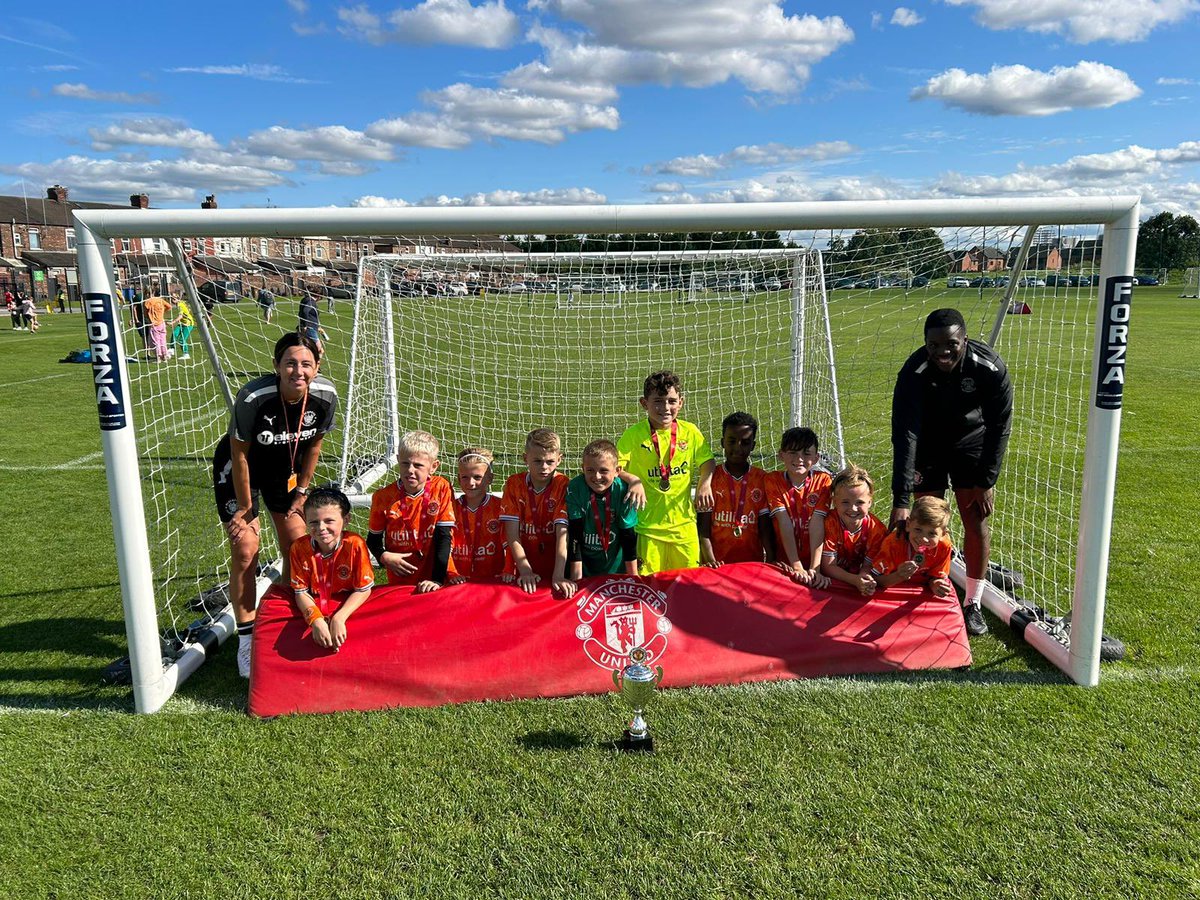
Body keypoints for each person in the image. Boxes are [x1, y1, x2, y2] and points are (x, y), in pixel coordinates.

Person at [212, 332, 339, 677]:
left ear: (316, 367)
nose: (298, 370)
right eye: (291, 363)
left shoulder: (326, 395)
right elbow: (238, 454)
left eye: (306, 364)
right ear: (277, 366)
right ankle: (246, 638)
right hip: (243, 471)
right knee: (245, 548)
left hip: (286, 472)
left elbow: (314, 446)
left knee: (298, 546)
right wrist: (245, 507)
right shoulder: (253, 396)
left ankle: (284, 615)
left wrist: (302, 491)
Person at [891, 307, 1013, 635]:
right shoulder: (913, 372)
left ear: (965, 340)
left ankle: (972, 601)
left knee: (975, 520)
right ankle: (924, 585)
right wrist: (901, 497)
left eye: (951, 344)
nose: (942, 352)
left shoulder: (989, 368)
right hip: (927, 445)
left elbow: (1000, 425)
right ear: (925, 343)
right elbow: (905, 434)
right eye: (934, 345)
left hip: (970, 443)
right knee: (923, 522)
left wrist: (986, 480)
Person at [616, 370, 714, 574]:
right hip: (647, 529)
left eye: (671, 401)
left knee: (687, 586)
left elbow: (707, 461)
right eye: (658, 401)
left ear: (681, 402)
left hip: (684, 529)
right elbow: (615, 468)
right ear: (644, 403)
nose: (666, 408)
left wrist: (705, 483)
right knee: (650, 588)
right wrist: (632, 479)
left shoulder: (691, 432)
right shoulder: (633, 435)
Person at [367, 430, 456, 592]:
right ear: (398, 461)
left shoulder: (441, 488)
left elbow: (444, 536)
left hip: (434, 576)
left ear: (433, 466)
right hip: (399, 578)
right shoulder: (383, 497)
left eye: (418, 465)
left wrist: (436, 580)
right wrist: (384, 556)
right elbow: (373, 540)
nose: (410, 470)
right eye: (405, 463)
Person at [289, 487, 374, 650]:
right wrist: (316, 620)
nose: (321, 528)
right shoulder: (299, 548)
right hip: (315, 602)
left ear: (346, 519)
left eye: (329, 521)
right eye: (314, 522)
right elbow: (300, 592)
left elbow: (363, 589)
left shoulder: (355, 544)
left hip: (348, 602)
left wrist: (339, 618)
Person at [698, 412, 775, 568]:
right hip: (716, 565)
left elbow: (765, 530)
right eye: (732, 441)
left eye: (745, 442)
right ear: (722, 442)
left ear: (753, 445)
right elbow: (703, 531)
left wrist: (772, 559)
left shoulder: (761, 478)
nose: (737, 447)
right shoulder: (711, 478)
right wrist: (711, 561)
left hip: (752, 565)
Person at [500, 428, 570, 594]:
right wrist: (525, 570)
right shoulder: (514, 483)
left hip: (556, 563)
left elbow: (563, 534)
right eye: (537, 461)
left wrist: (559, 575)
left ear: (559, 460)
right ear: (526, 459)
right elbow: (512, 533)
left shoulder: (563, 484)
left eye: (550, 462)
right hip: (522, 565)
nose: (544, 467)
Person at [564, 439, 639, 589]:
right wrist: (577, 581)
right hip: (584, 570)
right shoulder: (576, 487)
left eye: (604, 470)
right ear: (582, 468)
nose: (597, 477)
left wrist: (634, 578)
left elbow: (628, 537)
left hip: (617, 572)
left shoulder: (624, 490)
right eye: (590, 470)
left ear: (617, 471)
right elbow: (575, 536)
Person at [766, 426, 832, 587]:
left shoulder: (823, 481)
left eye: (806, 453)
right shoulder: (772, 480)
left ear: (816, 458)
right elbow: (784, 522)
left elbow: (817, 523)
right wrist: (796, 565)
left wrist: (815, 568)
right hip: (785, 563)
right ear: (781, 455)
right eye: (793, 452)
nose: (799, 458)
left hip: (816, 563)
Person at [820, 464, 887, 597]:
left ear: (870, 502)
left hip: (853, 577)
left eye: (860, 502)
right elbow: (827, 567)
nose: (853, 509)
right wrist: (855, 580)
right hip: (830, 579)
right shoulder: (829, 523)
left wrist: (863, 578)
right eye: (845, 502)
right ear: (834, 501)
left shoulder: (877, 530)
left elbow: (867, 566)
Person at [871, 496, 955, 597]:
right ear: (908, 525)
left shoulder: (944, 546)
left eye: (932, 533)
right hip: (891, 590)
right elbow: (875, 579)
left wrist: (935, 584)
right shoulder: (893, 543)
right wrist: (898, 575)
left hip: (920, 594)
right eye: (918, 530)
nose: (924, 539)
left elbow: (936, 577)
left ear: (943, 534)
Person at [448, 447, 509, 584]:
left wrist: (509, 570)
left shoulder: (500, 507)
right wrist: (452, 573)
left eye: (477, 477)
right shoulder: (450, 508)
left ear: (490, 478)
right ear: (458, 478)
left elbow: (510, 543)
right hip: (457, 581)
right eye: (465, 477)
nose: (471, 483)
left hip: (493, 581)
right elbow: (445, 545)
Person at [171, 296, 196, 361]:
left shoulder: (180, 305)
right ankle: (172, 349)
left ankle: (186, 354)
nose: (172, 300)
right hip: (182, 323)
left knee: (182, 339)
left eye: (174, 299)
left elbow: (180, 316)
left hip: (188, 324)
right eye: (171, 298)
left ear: (178, 299)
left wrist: (173, 322)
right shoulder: (181, 303)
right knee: (174, 334)